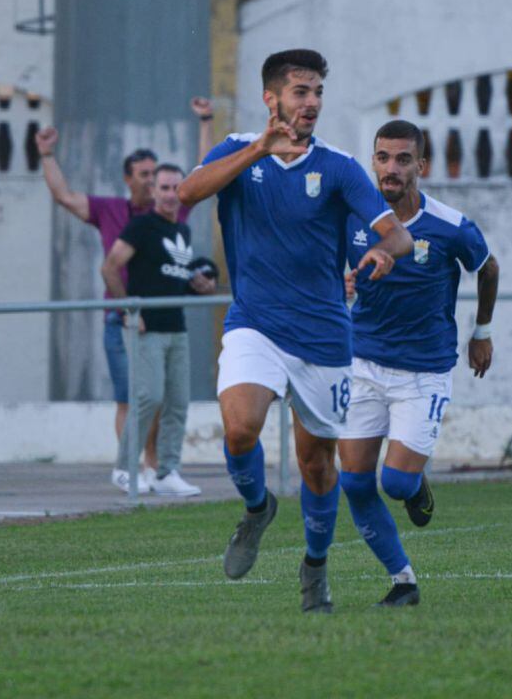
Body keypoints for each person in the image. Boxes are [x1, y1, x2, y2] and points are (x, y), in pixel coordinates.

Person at [177, 49, 413, 613]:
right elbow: (187, 194)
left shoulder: (337, 167)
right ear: (271, 98)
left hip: (325, 339)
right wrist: (259, 146)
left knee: (316, 465)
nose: (311, 103)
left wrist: (382, 252)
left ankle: (315, 566)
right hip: (254, 324)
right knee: (239, 429)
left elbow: (398, 235)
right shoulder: (237, 151)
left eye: (318, 93)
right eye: (301, 92)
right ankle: (257, 508)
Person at [340, 120, 499, 607]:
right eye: (383, 157)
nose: (391, 168)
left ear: (421, 166)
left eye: (403, 159)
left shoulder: (450, 225)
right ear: (373, 161)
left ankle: (413, 482)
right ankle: (402, 579)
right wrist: (338, 285)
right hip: (363, 364)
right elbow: (324, 270)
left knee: (396, 482)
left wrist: (482, 332)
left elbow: (487, 267)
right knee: (353, 481)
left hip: (424, 371)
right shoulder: (351, 219)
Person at [35, 98, 215, 493]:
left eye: (158, 176)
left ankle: (156, 469)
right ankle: (131, 467)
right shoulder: (111, 210)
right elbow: (65, 197)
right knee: (132, 397)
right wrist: (47, 155)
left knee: (164, 398)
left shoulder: (171, 215)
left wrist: (205, 122)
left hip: (164, 317)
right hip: (124, 316)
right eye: (146, 176)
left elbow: (202, 178)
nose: (154, 183)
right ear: (128, 179)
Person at [101, 164, 216, 497]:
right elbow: (109, 267)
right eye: (163, 188)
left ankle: (166, 472)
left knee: (177, 402)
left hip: (176, 327)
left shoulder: (182, 231)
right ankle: (124, 469)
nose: (169, 194)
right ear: (153, 192)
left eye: (175, 188)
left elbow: (175, 279)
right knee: (147, 397)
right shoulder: (141, 226)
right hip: (145, 329)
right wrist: (128, 309)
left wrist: (200, 286)